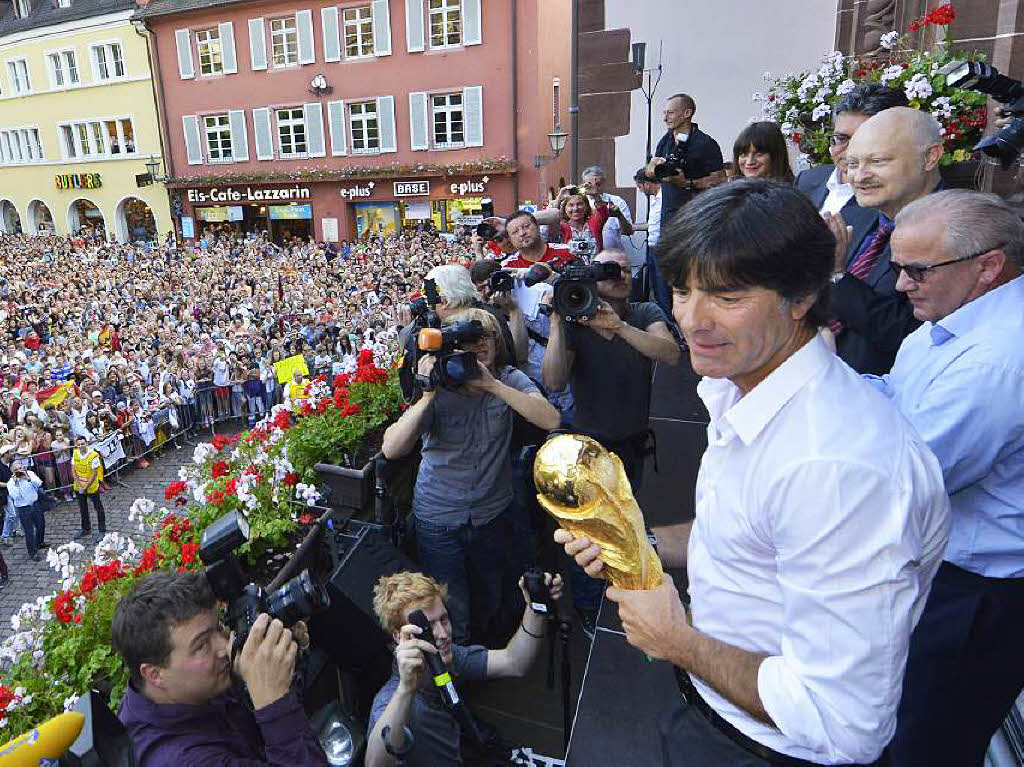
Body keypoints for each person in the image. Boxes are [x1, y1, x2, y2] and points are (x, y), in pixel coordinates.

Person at [560, 180, 950, 765]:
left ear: (800, 297)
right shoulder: (738, 387)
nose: (692, 318)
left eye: (728, 296)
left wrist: (676, 641)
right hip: (719, 712)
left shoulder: (835, 468)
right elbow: (749, 538)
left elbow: (841, 720)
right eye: (683, 290)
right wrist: (643, 542)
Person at [866, 190, 1024, 767]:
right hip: (946, 570)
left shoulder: (994, 361)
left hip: (974, 594)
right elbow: (893, 397)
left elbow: (909, 478)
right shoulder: (948, 321)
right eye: (896, 268)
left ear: (988, 266)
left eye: (917, 270)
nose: (902, 285)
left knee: (924, 741)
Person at [381, 308, 559, 644]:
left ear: (497, 342)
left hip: (493, 512)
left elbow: (551, 418)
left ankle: (493, 655)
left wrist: (492, 386)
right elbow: (392, 448)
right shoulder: (441, 388)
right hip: (439, 517)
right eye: (467, 340)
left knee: (493, 591)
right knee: (451, 607)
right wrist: (427, 396)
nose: (477, 345)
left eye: (485, 337)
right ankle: (459, 674)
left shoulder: (509, 379)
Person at [113, 571, 328, 767]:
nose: (225, 647)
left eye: (218, 628)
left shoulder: (188, 685)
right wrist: (274, 704)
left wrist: (286, 658)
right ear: (154, 674)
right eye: (201, 644)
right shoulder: (181, 759)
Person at [366, 570, 562, 767]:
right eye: (428, 627)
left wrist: (535, 606)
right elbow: (374, 764)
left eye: (443, 619)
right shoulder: (391, 701)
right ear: (399, 637)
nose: (442, 634)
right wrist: (406, 689)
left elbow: (514, 662)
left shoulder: (447, 655)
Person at [823, 106, 942, 375]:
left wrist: (837, 278)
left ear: (930, 157)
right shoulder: (856, 213)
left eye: (877, 161)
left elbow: (918, 334)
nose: (859, 177)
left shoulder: (956, 228)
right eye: (853, 164)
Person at [641, 93, 726, 314]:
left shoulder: (705, 143)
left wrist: (687, 182)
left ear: (687, 113)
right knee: (668, 275)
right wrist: (655, 169)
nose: (666, 118)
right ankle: (671, 325)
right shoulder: (666, 140)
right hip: (669, 218)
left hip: (697, 217)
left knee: (695, 273)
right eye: (664, 113)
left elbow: (719, 179)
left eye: (670, 112)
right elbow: (650, 171)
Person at [795, 84, 908, 215]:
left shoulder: (896, 199)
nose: (851, 151)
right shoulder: (806, 180)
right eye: (842, 138)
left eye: (865, 140)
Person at [579, 166, 635, 252]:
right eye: (589, 184)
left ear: (604, 183)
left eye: (598, 184)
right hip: (586, 255)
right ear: (583, 184)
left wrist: (619, 215)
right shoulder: (579, 203)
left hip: (612, 256)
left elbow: (628, 231)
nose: (595, 188)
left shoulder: (617, 201)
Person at [7, 463, 46, 562]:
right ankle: (32, 552)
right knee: (29, 531)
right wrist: (16, 483)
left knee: (41, 525)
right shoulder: (11, 483)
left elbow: (39, 483)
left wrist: (28, 478)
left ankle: (40, 542)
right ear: (12, 472)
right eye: (16, 470)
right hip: (23, 508)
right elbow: (15, 496)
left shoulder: (30, 474)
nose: (19, 471)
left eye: (20, 468)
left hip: (35, 504)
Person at [72, 434, 105, 542]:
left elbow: (94, 473)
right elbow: (73, 470)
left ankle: (102, 530)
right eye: (79, 444)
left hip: (91, 487)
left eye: (83, 443)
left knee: (98, 508)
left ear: (86, 443)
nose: (81, 446)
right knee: (83, 509)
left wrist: (85, 487)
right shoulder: (75, 454)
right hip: (79, 487)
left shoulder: (93, 455)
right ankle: (85, 529)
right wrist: (79, 485)